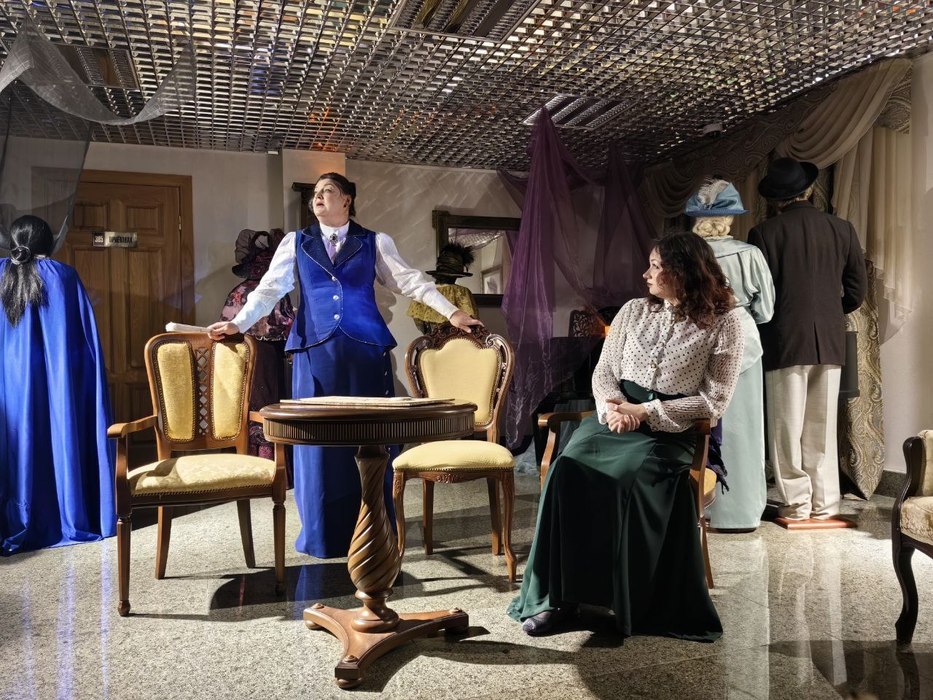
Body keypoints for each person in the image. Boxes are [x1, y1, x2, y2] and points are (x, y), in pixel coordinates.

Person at [207, 173, 482, 558]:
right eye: (315, 194)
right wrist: (238, 323)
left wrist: (452, 313)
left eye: (328, 192)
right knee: (317, 442)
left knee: (371, 438)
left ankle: (376, 527)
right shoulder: (296, 242)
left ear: (347, 200)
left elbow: (411, 283)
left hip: (364, 351)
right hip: (314, 352)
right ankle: (323, 534)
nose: (318, 198)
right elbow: (269, 289)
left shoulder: (375, 241)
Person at [508, 231, 744, 640]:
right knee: (566, 472)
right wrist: (612, 409)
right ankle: (557, 599)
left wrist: (647, 412)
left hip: (668, 432)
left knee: (619, 482)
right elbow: (604, 371)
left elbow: (714, 401)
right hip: (612, 420)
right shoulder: (633, 311)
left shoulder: (725, 323)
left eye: (656, 266)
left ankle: (620, 600)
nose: (646, 274)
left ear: (684, 272)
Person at [748, 158, 867, 523]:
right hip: (829, 338)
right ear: (810, 190)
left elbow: (762, 294)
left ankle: (797, 504)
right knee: (822, 426)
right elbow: (857, 291)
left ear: (776, 199)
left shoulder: (764, 233)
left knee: (786, 428)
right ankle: (826, 504)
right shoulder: (842, 229)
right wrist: (830, 312)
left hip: (784, 339)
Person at [0, 215, 115, 554]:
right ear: (47, 241)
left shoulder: (2, 273)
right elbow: (83, 340)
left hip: (10, 381)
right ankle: (70, 514)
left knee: (16, 442)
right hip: (58, 383)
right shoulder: (63, 276)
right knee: (61, 435)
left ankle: (17, 519)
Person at [686, 180, 775, 532]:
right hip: (743, 345)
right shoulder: (748, 254)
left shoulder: (687, 255)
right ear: (730, 218)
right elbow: (766, 310)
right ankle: (740, 512)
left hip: (694, 342)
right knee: (744, 427)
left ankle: (698, 506)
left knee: (697, 423)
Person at [219, 228, 295, 460]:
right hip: (267, 357)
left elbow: (226, 325)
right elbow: (288, 324)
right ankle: (271, 463)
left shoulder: (239, 292)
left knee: (250, 406)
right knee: (268, 406)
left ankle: (254, 461)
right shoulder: (275, 294)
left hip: (245, 357)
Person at [407, 242, 479, 333]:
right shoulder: (462, 292)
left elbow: (419, 323)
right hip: (458, 339)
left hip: (430, 339)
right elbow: (472, 319)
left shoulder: (424, 290)